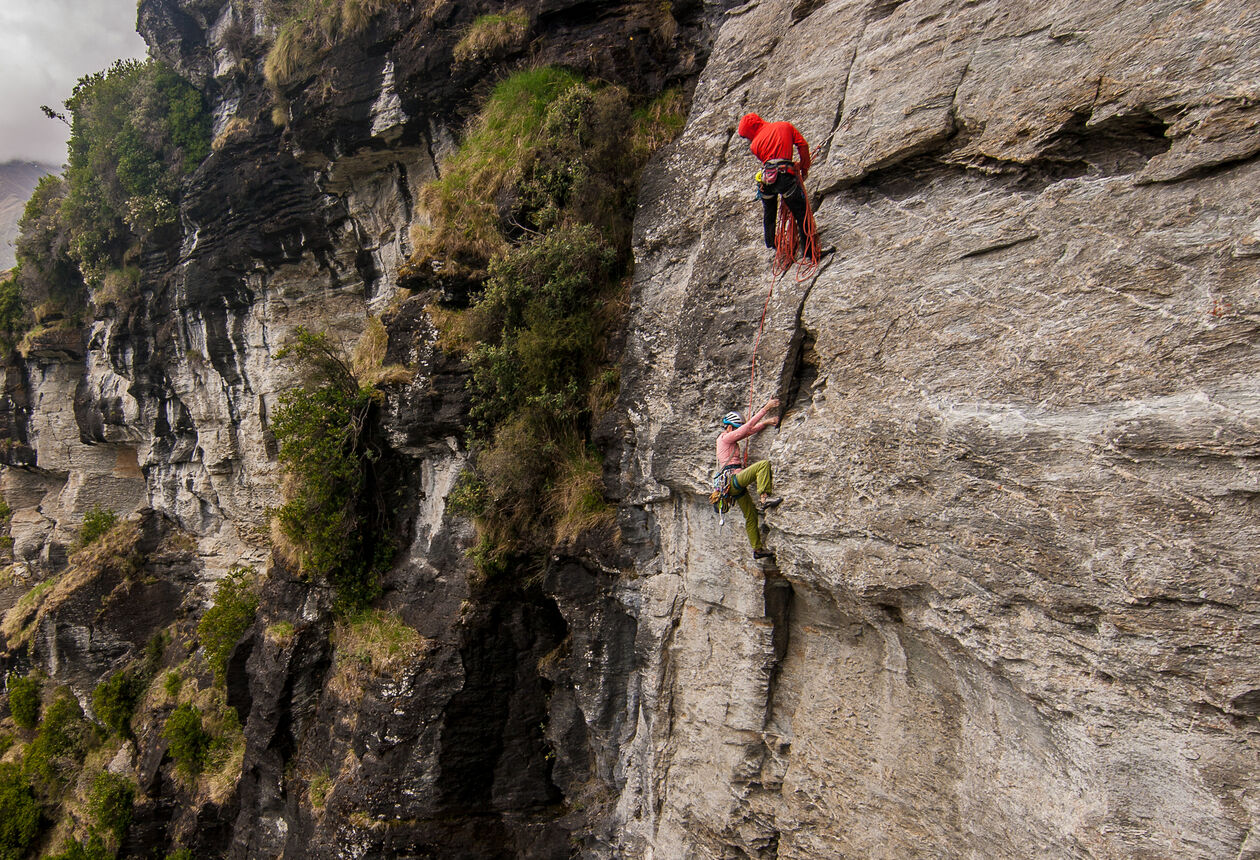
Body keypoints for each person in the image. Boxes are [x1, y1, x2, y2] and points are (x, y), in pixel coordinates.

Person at [714, 399, 782, 559]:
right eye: (735, 428)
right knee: (763, 465)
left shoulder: (727, 438)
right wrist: (765, 409)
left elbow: (748, 431)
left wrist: (766, 423)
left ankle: (757, 550)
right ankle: (765, 498)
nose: (736, 431)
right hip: (733, 479)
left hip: (731, 486)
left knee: (750, 515)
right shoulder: (724, 438)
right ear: (729, 427)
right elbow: (746, 429)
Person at [737, 113, 811, 253]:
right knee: (802, 212)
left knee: (769, 211)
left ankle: (772, 243)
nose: (748, 139)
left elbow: (770, 160)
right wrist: (803, 167)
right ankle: (810, 252)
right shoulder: (785, 126)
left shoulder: (755, 145)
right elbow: (803, 145)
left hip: (766, 180)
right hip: (784, 177)